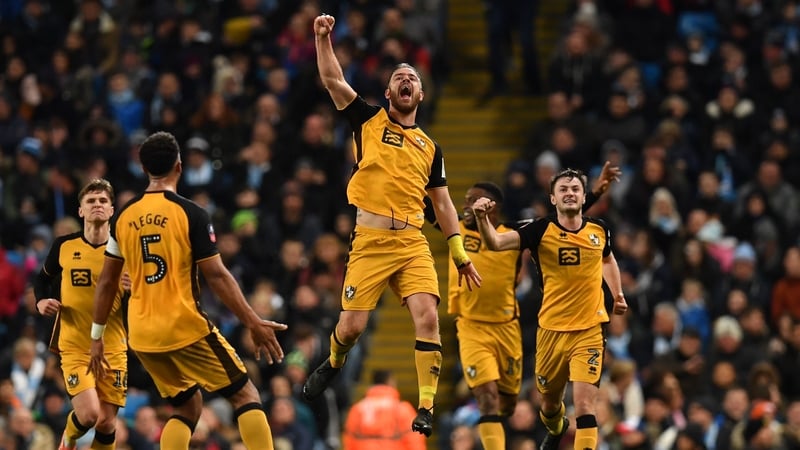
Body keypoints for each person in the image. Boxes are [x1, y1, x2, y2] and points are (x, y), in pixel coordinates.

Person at [302, 13, 482, 438]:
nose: (406, 80)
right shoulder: (368, 120)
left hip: (413, 242)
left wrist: (458, 251)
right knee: (352, 328)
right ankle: (334, 360)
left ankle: (424, 406)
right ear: (388, 92)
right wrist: (322, 39)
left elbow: (442, 204)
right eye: (399, 76)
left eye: (412, 77)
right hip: (370, 240)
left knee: (428, 317)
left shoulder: (430, 148)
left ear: (419, 93)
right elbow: (331, 80)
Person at [87, 131, 287, 450]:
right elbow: (217, 276)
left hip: (142, 335)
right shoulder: (191, 213)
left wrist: (96, 337)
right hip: (183, 326)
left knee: (187, 407)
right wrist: (253, 321)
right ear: (179, 166)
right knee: (245, 394)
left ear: (143, 168)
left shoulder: (123, 216)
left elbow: (108, 282)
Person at [448, 165, 619, 450]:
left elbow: (568, 216)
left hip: (557, 327)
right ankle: (553, 426)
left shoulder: (528, 228)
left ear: (494, 208)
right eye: (467, 200)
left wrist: (597, 191)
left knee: (582, 404)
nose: (467, 205)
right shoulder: (456, 227)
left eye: (475, 200)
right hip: (495, 327)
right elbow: (438, 207)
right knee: (535, 403)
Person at [34, 178, 129, 450]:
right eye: (91, 201)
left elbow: (143, 296)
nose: (97, 205)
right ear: (81, 211)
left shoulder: (125, 250)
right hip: (75, 345)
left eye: (103, 201)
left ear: (112, 210)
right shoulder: (64, 246)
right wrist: (41, 301)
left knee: (107, 424)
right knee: (89, 415)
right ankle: (68, 438)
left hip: (113, 346)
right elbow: (41, 279)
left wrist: (136, 290)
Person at [342, 369, 426, 450]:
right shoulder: (402, 409)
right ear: (390, 382)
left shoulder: (357, 409)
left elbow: (349, 441)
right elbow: (414, 441)